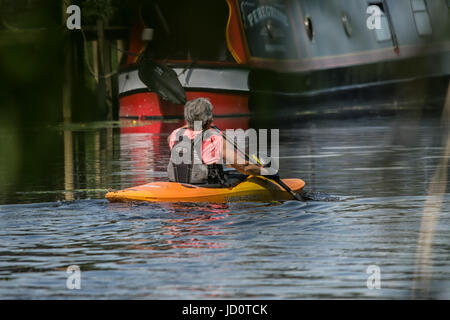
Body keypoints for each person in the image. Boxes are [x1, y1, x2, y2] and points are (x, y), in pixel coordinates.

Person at [167, 98, 262, 186]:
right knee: (246, 175)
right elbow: (244, 167)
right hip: (208, 187)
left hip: (178, 184)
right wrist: (263, 170)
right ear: (209, 120)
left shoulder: (174, 135)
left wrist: (196, 124)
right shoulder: (216, 139)